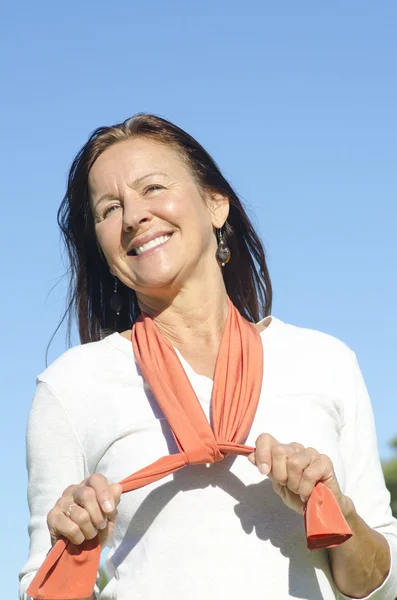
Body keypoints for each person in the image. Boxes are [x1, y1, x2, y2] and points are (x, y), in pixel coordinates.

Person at [19, 113, 397, 600]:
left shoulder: (326, 361)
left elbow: (379, 583)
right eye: (109, 209)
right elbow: (42, 587)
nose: (134, 216)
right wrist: (74, 550)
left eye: (152, 187)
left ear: (216, 204)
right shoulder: (70, 386)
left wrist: (338, 510)